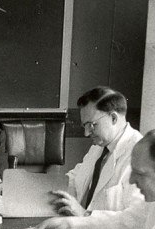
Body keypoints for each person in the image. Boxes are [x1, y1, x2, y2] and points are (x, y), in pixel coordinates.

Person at [53, 86, 143, 218]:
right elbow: (76, 178)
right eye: (85, 126)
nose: (86, 133)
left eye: (92, 125)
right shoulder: (99, 146)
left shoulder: (139, 155)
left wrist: (84, 215)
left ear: (113, 118)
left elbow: (134, 221)